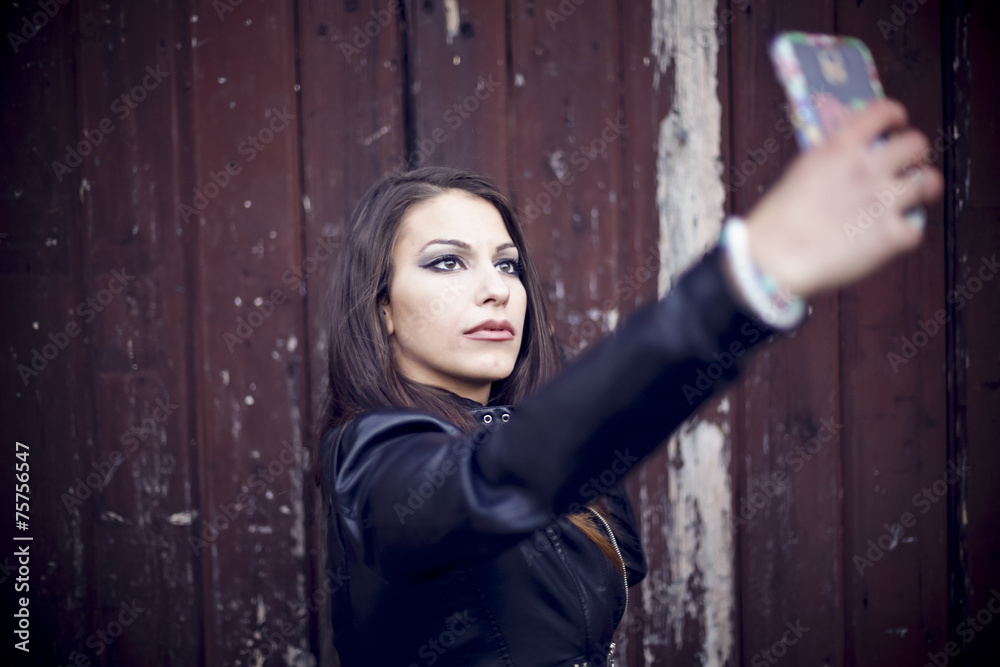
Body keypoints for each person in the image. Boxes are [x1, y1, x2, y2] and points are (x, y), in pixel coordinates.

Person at [311, 99, 943, 666]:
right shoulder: (369, 458)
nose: (495, 288)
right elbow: (489, 482)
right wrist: (748, 278)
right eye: (447, 262)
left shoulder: (523, 424)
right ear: (382, 308)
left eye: (508, 265)